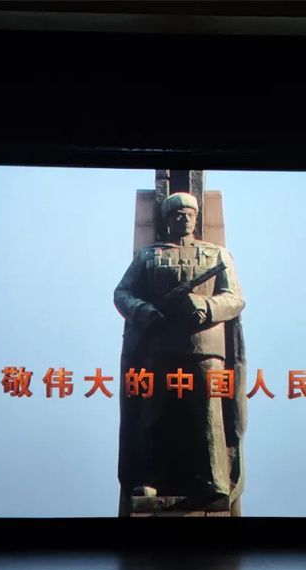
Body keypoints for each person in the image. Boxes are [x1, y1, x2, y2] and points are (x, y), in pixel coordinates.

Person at [114, 192, 247, 507]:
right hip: (159, 346)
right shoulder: (148, 257)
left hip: (205, 347)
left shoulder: (217, 255)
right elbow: (123, 293)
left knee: (208, 412)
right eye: (177, 214)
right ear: (167, 219)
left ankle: (214, 478)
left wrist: (206, 305)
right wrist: (144, 311)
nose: (184, 218)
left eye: (189, 213)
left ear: (196, 218)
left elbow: (235, 298)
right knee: (153, 412)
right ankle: (148, 477)